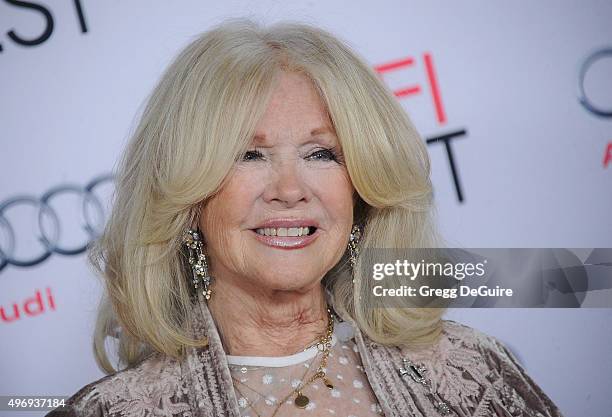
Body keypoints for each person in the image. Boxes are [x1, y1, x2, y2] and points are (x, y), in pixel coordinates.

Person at [47, 18, 563, 417]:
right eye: (249, 155)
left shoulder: (469, 372)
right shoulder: (115, 410)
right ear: (186, 199)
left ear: (361, 188)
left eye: (322, 154)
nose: (290, 191)